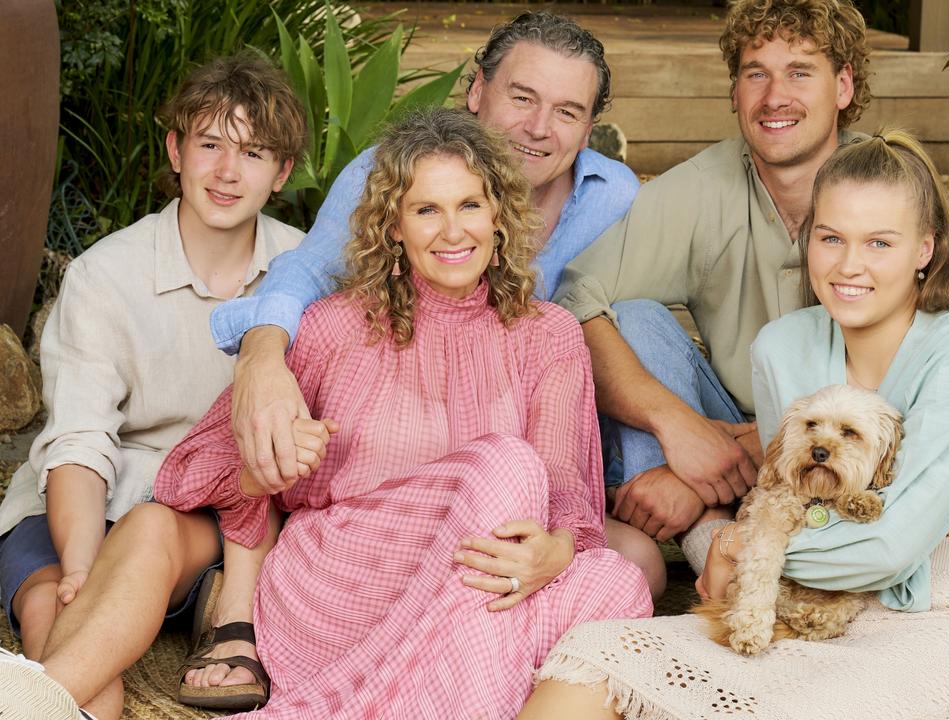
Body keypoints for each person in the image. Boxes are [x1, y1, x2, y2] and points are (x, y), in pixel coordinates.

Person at [520, 129, 949, 720]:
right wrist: (744, 550)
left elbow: (892, 545)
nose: (850, 265)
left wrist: (741, 550)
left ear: (925, 249)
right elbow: (793, 500)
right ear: (807, 239)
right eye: (831, 238)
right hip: (805, 602)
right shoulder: (782, 348)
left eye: (879, 242)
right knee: (591, 663)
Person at [147, 107, 652, 719]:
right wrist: (273, 462)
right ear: (393, 226)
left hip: (482, 594)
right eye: (426, 210)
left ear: (499, 216)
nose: (452, 231)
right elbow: (187, 472)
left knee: (616, 584)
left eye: (469, 204)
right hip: (341, 596)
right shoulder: (333, 328)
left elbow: (570, 500)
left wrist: (559, 550)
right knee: (505, 465)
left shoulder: (550, 336)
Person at [218, 13, 664, 594]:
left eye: (567, 112)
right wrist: (260, 354)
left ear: (588, 127)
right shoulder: (400, 171)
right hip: (400, 447)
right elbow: (307, 273)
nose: (537, 128)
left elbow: (613, 332)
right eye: (522, 97)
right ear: (478, 89)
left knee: (638, 567)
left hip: (540, 455)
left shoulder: (615, 197)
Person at [0, 52, 307, 720]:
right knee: (54, 616)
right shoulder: (105, 274)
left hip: (211, 515)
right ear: (175, 149)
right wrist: (82, 566)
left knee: (150, 531)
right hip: (82, 500)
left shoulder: (304, 274)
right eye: (210, 145)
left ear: (282, 172)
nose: (228, 173)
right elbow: (79, 441)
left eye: (254, 154)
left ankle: (31, 698)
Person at [551, 0, 870, 577]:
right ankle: (713, 554)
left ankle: (705, 522)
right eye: (756, 73)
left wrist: (706, 470)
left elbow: (917, 374)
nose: (775, 96)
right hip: (723, 423)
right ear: (735, 93)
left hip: (844, 447)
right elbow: (573, 302)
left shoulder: (892, 187)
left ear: (843, 86)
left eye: (800, 71)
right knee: (633, 318)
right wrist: (678, 425)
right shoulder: (704, 185)